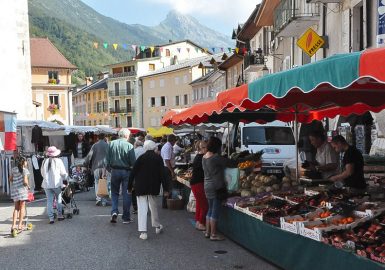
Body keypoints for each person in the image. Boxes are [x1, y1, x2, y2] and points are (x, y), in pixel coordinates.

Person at [128, 140, 169, 240]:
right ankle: (157, 226)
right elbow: (163, 174)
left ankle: (143, 232)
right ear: (154, 148)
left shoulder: (141, 158)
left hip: (140, 187)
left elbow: (132, 173)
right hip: (153, 187)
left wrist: (129, 187)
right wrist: (166, 189)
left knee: (142, 209)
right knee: (153, 206)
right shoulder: (158, 158)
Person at [202, 137, 236, 241]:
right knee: (215, 211)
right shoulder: (215, 157)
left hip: (207, 185)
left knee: (210, 209)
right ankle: (213, 234)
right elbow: (230, 163)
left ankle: (207, 232)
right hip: (216, 186)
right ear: (217, 147)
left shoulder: (204, 157)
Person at [106, 128, 136, 224]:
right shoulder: (129, 146)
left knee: (114, 193)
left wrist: (110, 170)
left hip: (114, 171)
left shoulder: (111, 144)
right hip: (126, 171)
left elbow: (106, 160)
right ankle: (126, 217)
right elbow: (133, 162)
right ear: (127, 136)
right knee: (126, 193)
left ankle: (114, 211)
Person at [41, 146, 68, 224]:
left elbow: (42, 173)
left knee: (49, 200)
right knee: (58, 199)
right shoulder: (59, 161)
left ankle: (51, 218)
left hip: (46, 184)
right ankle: (60, 215)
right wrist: (66, 178)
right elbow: (63, 173)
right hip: (56, 184)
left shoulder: (44, 161)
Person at [84, 133, 109, 206]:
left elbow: (89, 156)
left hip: (96, 167)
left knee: (97, 182)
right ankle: (104, 200)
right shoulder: (108, 145)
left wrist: (85, 164)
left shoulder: (94, 145)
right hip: (106, 168)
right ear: (104, 137)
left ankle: (98, 199)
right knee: (105, 183)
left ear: (98, 138)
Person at [190, 140, 208, 231]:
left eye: (206, 147)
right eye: (204, 147)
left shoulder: (199, 156)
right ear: (201, 148)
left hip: (195, 183)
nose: (206, 149)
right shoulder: (202, 157)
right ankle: (201, 223)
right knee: (204, 205)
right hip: (198, 183)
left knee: (199, 204)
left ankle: (197, 221)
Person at [9, 156, 30, 235]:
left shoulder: (13, 169)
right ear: (23, 162)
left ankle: (13, 226)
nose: (26, 162)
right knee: (22, 208)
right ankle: (20, 225)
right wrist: (28, 186)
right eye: (26, 161)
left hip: (15, 190)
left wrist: (16, 181)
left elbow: (10, 179)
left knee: (16, 208)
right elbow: (25, 181)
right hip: (22, 191)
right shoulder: (25, 170)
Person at [160, 134, 177, 208]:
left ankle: (166, 203)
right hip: (167, 169)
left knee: (167, 187)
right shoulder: (168, 147)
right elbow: (167, 160)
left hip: (166, 168)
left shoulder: (168, 146)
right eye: (175, 140)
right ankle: (166, 203)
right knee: (168, 187)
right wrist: (172, 171)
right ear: (173, 140)